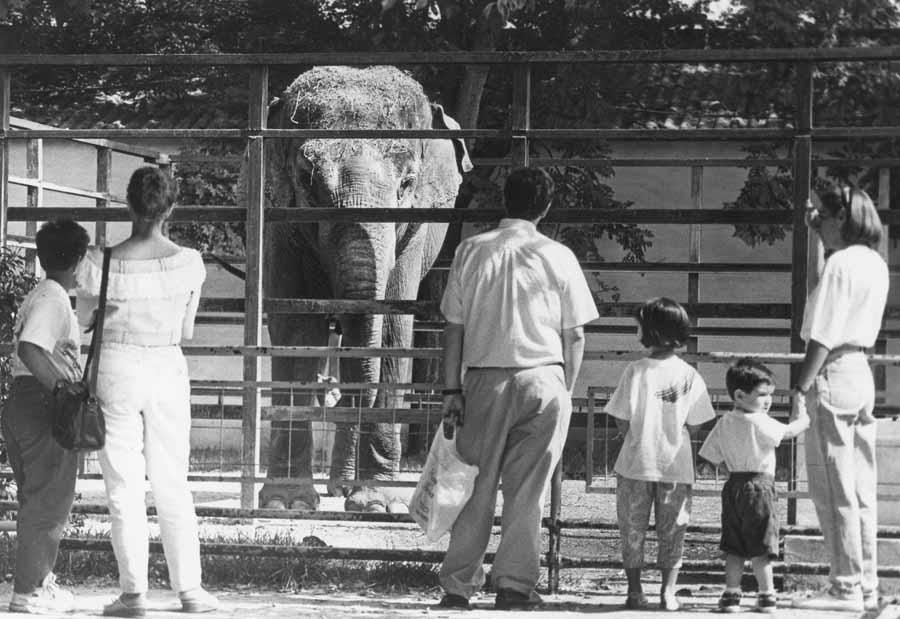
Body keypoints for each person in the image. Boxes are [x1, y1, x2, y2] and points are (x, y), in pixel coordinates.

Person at [435, 168, 598, 611]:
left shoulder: (471, 251)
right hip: (544, 377)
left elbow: (454, 329)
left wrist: (452, 389)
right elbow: (575, 335)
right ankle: (514, 586)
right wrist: (564, 388)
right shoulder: (559, 255)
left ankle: (457, 585)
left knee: (476, 487)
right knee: (528, 491)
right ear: (545, 207)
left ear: (505, 200)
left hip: (483, 379)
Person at [75, 167, 217, 617]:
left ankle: (134, 594)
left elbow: (84, 322)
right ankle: (190, 591)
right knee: (172, 480)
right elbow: (188, 330)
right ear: (171, 208)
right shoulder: (190, 263)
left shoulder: (101, 261)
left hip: (115, 365)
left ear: (129, 205)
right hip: (165, 365)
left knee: (123, 483)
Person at [791, 186, 888, 613]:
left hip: (832, 371)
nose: (819, 225)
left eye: (823, 219)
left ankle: (845, 585)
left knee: (833, 489)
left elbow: (822, 334)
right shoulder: (873, 262)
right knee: (861, 488)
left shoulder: (842, 264)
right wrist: (814, 234)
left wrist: (800, 386)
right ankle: (866, 582)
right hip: (862, 372)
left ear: (840, 219)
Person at [604, 297, 716, 611]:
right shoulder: (689, 375)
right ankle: (668, 592)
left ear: (651, 331)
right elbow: (697, 422)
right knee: (674, 529)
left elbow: (620, 416)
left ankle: (635, 590)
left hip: (635, 463)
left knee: (632, 529)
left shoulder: (635, 371)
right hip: (675, 465)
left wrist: (636, 438)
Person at [3, 220, 89, 614]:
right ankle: (29, 590)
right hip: (42, 403)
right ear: (80, 260)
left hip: (22, 401)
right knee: (50, 498)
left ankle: (39, 579)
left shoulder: (41, 293)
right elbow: (31, 349)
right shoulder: (54, 300)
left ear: (40, 256)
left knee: (36, 496)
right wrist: (61, 389)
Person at [699, 358, 809, 613]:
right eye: (762, 395)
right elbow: (789, 432)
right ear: (740, 395)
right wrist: (804, 416)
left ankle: (731, 595)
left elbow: (710, 456)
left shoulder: (724, 420)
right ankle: (766, 595)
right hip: (760, 486)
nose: (768, 400)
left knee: (734, 546)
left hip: (734, 486)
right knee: (762, 545)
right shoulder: (759, 420)